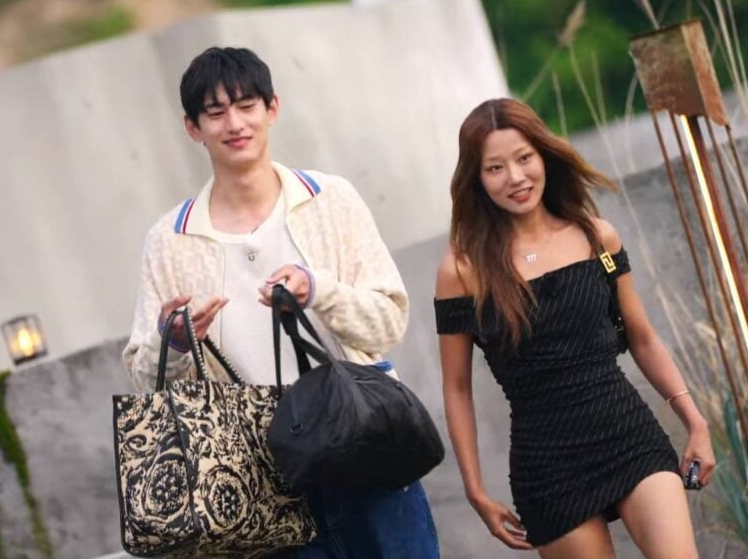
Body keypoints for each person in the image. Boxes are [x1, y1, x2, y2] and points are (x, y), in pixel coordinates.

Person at [123, 46, 439, 558]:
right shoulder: (169, 240)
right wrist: (174, 341)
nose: (234, 124)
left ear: (272, 108)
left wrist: (320, 291)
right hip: (260, 480)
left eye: (246, 105)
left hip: (365, 444)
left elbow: (389, 322)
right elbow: (145, 379)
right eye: (215, 112)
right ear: (193, 128)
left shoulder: (329, 199)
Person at [433, 98, 715, 557]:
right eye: (495, 168)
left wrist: (695, 423)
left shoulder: (595, 236)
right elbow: (457, 388)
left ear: (544, 155)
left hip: (627, 434)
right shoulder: (463, 270)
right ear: (477, 178)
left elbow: (642, 338)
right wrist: (475, 490)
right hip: (549, 467)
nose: (515, 177)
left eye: (524, 158)